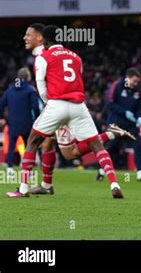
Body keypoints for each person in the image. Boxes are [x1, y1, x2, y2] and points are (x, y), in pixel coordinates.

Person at [6, 25, 123, 199]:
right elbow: (77, 79)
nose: (25, 38)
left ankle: (22, 189)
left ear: (44, 40)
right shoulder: (76, 57)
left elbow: (41, 86)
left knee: (33, 142)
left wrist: (49, 103)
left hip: (57, 105)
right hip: (79, 106)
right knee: (96, 146)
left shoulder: (43, 57)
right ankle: (114, 184)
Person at [104, 67, 141, 182]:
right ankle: (102, 170)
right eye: (134, 81)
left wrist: (140, 117)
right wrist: (124, 112)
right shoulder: (116, 86)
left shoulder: (137, 90)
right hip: (116, 123)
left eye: (137, 81)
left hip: (130, 125)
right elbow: (110, 103)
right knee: (112, 147)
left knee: (138, 144)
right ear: (127, 78)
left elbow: (139, 107)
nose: (136, 83)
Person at [0, 67, 40, 178]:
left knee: (11, 146)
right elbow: (35, 107)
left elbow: (1, 104)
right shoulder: (30, 90)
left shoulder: (10, 90)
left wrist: (2, 117)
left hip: (12, 123)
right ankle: (29, 170)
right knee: (29, 146)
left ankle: (9, 169)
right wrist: (37, 119)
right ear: (27, 77)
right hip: (27, 123)